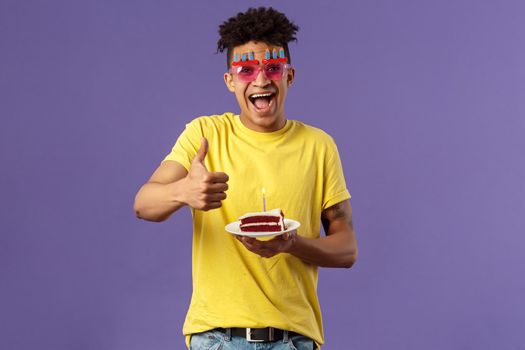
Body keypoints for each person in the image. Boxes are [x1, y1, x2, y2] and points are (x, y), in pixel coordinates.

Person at [134, 7, 358, 350]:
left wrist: (292, 244)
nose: (261, 80)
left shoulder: (319, 146)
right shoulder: (205, 134)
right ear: (230, 81)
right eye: (246, 70)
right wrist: (184, 191)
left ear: (289, 75)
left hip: (294, 340)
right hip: (218, 338)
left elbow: (347, 249)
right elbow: (143, 204)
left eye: (272, 68)